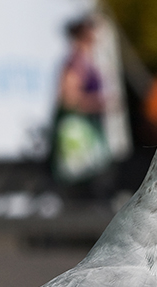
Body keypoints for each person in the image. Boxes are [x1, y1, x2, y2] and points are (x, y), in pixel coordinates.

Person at [50, 16, 111, 190]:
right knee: (82, 183)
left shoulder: (85, 61)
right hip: (79, 130)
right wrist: (99, 103)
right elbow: (68, 100)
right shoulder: (77, 63)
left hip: (87, 128)